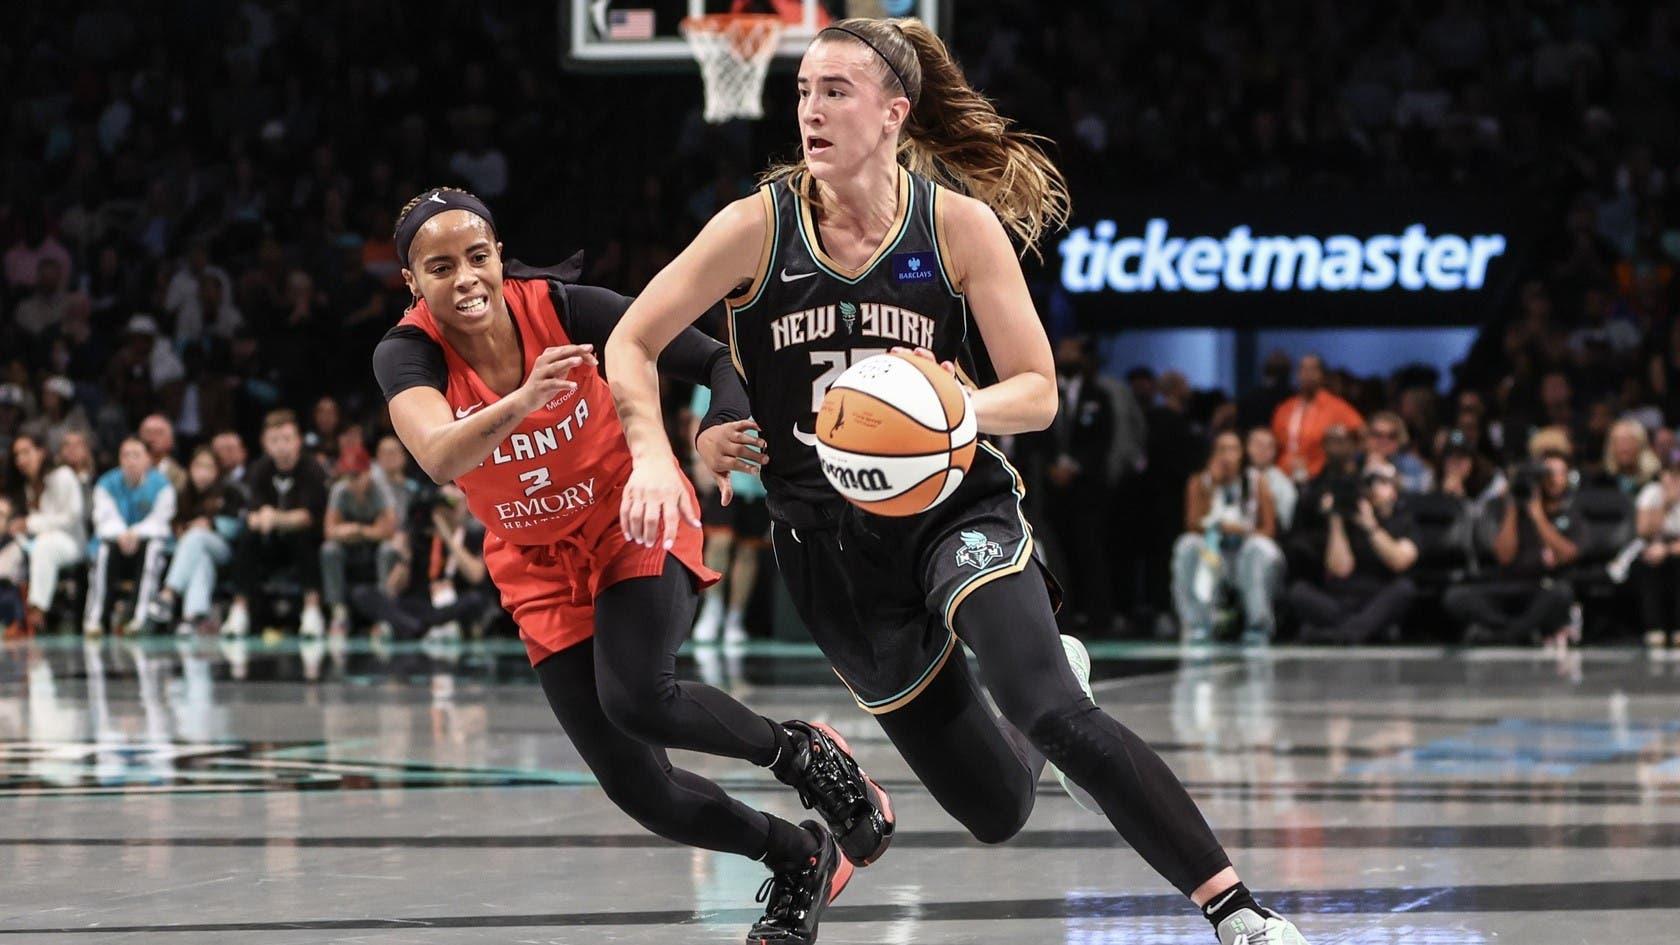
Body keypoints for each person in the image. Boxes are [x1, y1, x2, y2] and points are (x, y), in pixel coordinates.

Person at [605, 18, 1308, 945]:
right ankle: (1024, 722)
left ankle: (1237, 910)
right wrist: (658, 449)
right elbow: (632, 339)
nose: (810, 110)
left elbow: (1040, 392)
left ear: (894, 113)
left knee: (1054, 709)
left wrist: (955, 415)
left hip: (952, 507)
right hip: (828, 547)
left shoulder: (958, 227)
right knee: (996, 807)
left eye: (836, 92)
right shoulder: (753, 229)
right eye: (804, 92)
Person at [372, 186, 890, 945]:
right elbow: (439, 453)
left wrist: (721, 417)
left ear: (498, 256)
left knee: (638, 696)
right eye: (440, 266)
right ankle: (799, 855)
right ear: (413, 282)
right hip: (536, 565)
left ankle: (803, 754)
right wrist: (522, 401)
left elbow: (710, 354)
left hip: (631, 520)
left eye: (477, 256)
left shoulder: (567, 308)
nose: (465, 278)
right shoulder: (407, 351)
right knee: (639, 788)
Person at [1444, 450, 1579, 645]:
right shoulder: (1495, 507)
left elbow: (1568, 555)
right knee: (1456, 597)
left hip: (1538, 586)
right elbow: (1505, 557)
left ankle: (1502, 635)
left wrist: (1538, 515)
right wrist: (1512, 508)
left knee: (1562, 593)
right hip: (1499, 584)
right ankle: (1519, 632)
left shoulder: (1560, 508)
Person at [1286, 462, 1419, 644]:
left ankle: (1339, 634)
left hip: (1376, 598)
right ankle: (1362, 631)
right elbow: (1340, 570)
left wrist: (1370, 527)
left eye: (1382, 482)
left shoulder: (1402, 520)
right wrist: (1335, 519)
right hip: (1339, 598)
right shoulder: (1344, 517)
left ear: (1394, 491)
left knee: (1404, 589)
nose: (1374, 488)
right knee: (1299, 591)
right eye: (1369, 482)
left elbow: (1400, 561)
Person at [1172, 431, 1284, 645]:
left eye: (1232, 449)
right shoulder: (1199, 482)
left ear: (1241, 454)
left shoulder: (1257, 482)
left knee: (1258, 548)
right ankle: (1197, 625)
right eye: (1221, 449)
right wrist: (1213, 486)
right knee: (1187, 545)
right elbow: (1193, 524)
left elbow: (1269, 530)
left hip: (1247, 555)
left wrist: (1238, 530)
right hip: (1215, 555)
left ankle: (1258, 625)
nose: (1226, 456)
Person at [226, 409, 330, 638]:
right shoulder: (260, 469)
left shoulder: (311, 469)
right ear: (265, 443)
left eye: (286, 439)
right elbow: (253, 515)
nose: (281, 446)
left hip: (303, 540)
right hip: (270, 541)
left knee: (304, 536)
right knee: (247, 537)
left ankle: (312, 610)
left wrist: (273, 517)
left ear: (298, 441)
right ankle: (239, 609)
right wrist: (264, 518)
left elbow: (307, 516)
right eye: (274, 440)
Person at [686, 382, 769, 646]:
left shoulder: (768, 373)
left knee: (748, 550)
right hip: (722, 474)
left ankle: (735, 617)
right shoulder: (717, 372)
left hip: (757, 479)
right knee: (719, 543)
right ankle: (713, 609)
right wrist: (698, 459)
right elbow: (697, 419)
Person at [150, 446, 245, 635]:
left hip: (226, 551)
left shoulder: (229, 491)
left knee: (197, 537)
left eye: (209, 467)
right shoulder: (183, 493)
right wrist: (183, 529)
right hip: (192, 553)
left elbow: (236, 529)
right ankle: (192, 617)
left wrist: (211, 524)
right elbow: (173, 527)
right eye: (198, 466)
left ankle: (168, 593)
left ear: (217, 470)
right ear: (190, 469)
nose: (203, 473)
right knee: (201, 559)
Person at [85, 437, 175, 635]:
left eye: (136, 455)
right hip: (117, 542)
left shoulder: (162, 485)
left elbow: (161, 521)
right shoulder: (106, 483)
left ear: (148, 459)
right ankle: (95, 619)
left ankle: (139, 618)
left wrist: (136, 533)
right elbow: (103, 518)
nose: (130, 460)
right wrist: (123, 534)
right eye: (125, 455)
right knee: (102, 550)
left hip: (146, 544)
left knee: (153, 549)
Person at [0, 434, 86, 635]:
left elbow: (71, 518)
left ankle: (36, 612)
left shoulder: (63, 475)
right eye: (17, 455)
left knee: (44, 546)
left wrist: (30, 524)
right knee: (12, 550)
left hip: (70, 542)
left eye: (26, 452)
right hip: (35, 541)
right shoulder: (27, 487)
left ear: (41, 452)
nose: (21, 459)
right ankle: (14, 618)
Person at [320, 444, 400, 635]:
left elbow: (389, 530)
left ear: (367, 472)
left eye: (356, 476)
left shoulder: (380, 489)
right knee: (329, 550)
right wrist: (347, 532)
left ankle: (385, 611)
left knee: (388, 550)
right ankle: (338, 612)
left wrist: (359, 530)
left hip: (374, 545)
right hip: (350, 547)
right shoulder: (340, 491)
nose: (352, 482)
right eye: (348, 476)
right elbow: (329, 530)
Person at [1271, 353, 1364, 482]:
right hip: (1284, 476)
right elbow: (1275, 443)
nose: (1307, 374)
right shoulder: (1285, 408)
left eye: (1312, 369)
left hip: (1319, 478)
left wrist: (1349, 461)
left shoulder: (1336, 407)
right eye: (1303, 369)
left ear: (1322, 375)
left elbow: (1362, 433)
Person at [1632, 457, 1680, 650]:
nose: (1672, 479)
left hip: (1674, 548)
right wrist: (1666, 504)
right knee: (1648, 563)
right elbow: (1644, 531)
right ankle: (1654, 628)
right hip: (1653, 545)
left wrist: (1668, 549)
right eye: (1668, 474)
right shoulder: (1651, 493)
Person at [1363, 411, 1431, 494]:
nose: (1384, 441)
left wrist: (1390, 475)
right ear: (1367, 436)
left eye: (1391, 436)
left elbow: (1425, 486)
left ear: (1400, 439)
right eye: (1377, 435)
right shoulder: (1355, 461)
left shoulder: (1410, 463)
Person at [1245, 427, 1297, 530]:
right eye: (1258, 444)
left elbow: (1283, 525)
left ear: (1275, 451)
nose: (1263, 450)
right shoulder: (1236, 474)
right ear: (1247, 447)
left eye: (1269, 446)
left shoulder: (1284, 484)